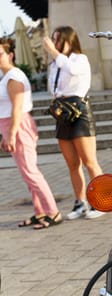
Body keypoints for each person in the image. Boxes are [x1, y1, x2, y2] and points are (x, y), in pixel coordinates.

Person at [43, 26, 105, 220]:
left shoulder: (79, 59)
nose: (55, 44)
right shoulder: (54, 63)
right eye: (53, 40)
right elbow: (53, 87)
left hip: (79, 110)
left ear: (70, 41)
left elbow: (72, 70)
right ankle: (80, 203)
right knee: (72, 163)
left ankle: (102, 201)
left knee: (89, 161)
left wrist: (53, 53)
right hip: (62, 110)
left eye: (58, 40)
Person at [0, 37, 62, 230]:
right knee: (27, 173)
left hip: (18, 126)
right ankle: (40, 211)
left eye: (0, 53)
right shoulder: (6, 76)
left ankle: (53, 212)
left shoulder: (13, 77)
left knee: (30, 172)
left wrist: (9, 135)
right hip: (12, 126)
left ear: (10, 55)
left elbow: (17, 109)